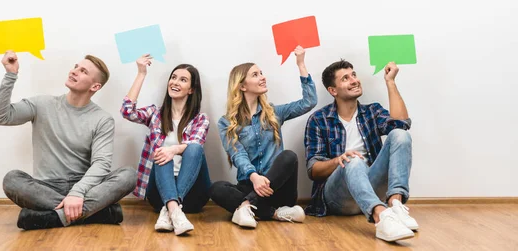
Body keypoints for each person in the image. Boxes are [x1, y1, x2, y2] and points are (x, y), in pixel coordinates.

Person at [0, 50, 136, 230]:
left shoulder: (102, 119)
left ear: (95, 87)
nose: (74, 71)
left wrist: (77, 192)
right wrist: (10, 75)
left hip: (85, 188)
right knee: (11, 179)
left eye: (83, 71)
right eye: (76, 67)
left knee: (129, 175)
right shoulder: (41, 104)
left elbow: (101, 164)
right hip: (45, 188)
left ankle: (53, 217)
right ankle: (96, 213)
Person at [304, 59, 417, 242]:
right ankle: (381, 217)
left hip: (371, 188)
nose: (354, 80)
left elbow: (402, 124)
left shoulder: (372, 111)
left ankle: (395, 204)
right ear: (333, 90)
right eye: (346, 78)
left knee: (400, 135)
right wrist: (338, 160)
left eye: (354, 75)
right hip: (339, 198)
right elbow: (313, 171)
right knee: (353, 160)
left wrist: (390, 82)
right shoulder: (318, 120)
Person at [209, 46, 317, 228]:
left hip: (278, 190)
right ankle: (275, 214)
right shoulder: (226, 122)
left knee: (288, 156)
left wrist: (301, 64)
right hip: (250, 185)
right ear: (242, 86)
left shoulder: (275, 113)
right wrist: (254, 177)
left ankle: (246, 207)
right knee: (215, 188)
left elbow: (309, 102)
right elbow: (237, 154)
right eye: (255, 74)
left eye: (261, 73)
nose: (263, 77)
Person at [121, 54, 211, 236]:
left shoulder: (200, 119)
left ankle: (170, 208)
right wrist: (141, 73)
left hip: (193, 195)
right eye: (173, 77)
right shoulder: (155, 114)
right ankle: (174, 210)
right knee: (162, 153)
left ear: (191, 89)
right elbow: (127, 111)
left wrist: (174, 149)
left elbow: (195, 144)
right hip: (158, 193)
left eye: (183, 80)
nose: (175, 82)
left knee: (193, 148)